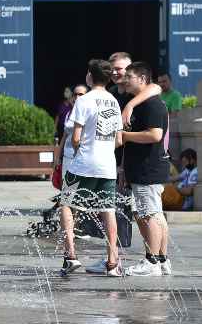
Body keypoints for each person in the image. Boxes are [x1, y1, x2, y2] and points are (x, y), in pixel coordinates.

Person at [84, 51, 162, 274]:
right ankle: (113, 258)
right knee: (114, 212)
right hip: (114, 163)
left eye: (122, 70)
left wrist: (130, 106)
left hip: (135, 164)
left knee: (145, 212)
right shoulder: (110, 95)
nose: (119, 73)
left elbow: (155, 87)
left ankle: (155, 260)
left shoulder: (138, 94)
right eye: (114, 69)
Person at [58, 60, 123, 277]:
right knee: (108, 210)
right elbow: (119, 139)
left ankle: (71, 255)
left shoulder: (84, 100)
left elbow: (75, 137)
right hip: (107, 165)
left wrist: (81, 150)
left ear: (89, 77)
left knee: (67, 204)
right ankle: (113, 261)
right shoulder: (114, 102)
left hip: (84, 162)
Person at [121, 62, 172, 276]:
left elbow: (155, 135)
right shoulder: (144, 102)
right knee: (155, 214)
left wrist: (124, 136)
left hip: (147, 168)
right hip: (144, 168)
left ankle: (151, 262)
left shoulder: (151, 104)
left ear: (142, 79)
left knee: (150, 214)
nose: (125, 80)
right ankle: (161, 260)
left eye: (129, 77)